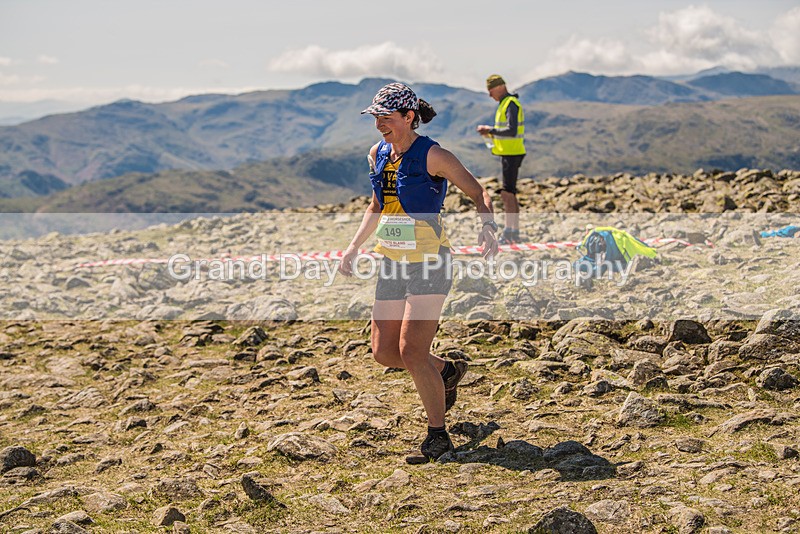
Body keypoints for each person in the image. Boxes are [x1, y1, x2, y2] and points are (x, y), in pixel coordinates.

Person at [338, 82, 499, 461]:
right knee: (384, 353)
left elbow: (479, 193)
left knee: (411, 350)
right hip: (391, 262)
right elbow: (377, 205)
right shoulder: (377, 154)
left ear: (409, 117)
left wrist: (488, 226)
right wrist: (353, 246)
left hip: (431, 261)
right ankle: (445, 372)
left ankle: (438, 436)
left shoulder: (434, 155)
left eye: (386, 117)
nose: (379, 124)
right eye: (375, 117)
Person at [476, 74, 526, 245]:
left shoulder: (510, 104)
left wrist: (490, 130)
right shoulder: (505, 103)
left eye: (490, 91)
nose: (490, 96)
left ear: (499, 87)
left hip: (513, 154)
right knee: (508, 193)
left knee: (507, 194)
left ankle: (511, 232)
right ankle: (512, 231)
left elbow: (511, 130)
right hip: (509, 153)